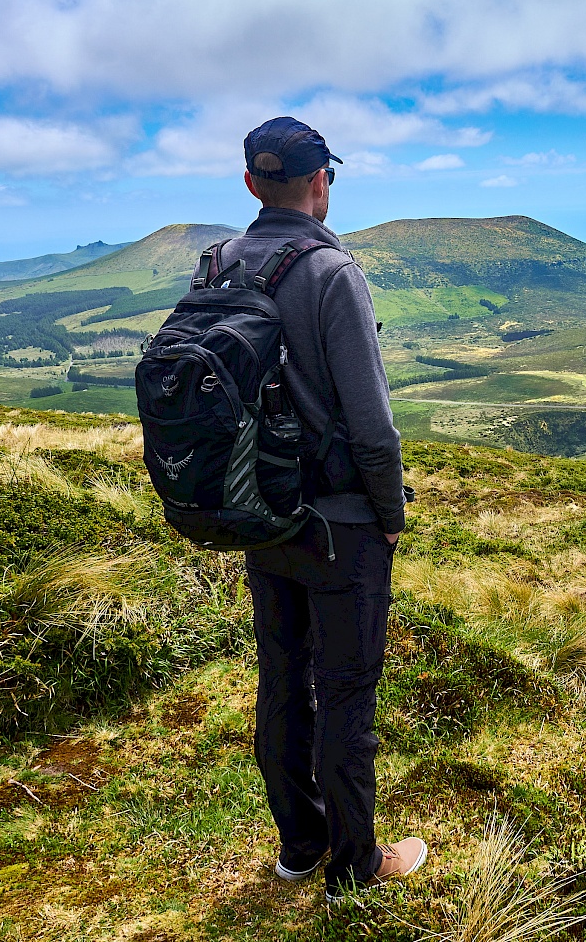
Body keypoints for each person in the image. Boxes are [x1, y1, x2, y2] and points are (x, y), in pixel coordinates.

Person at [221, 116, 425, 898]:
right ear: (320, 182)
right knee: (347, 694)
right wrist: (390, 514)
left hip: (256, 515)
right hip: (339, 524)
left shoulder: (218, 265)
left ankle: (300, 847)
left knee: (283, 681)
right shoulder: (331, 272)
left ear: (250, 184)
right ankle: (357, 866)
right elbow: (372, 426)